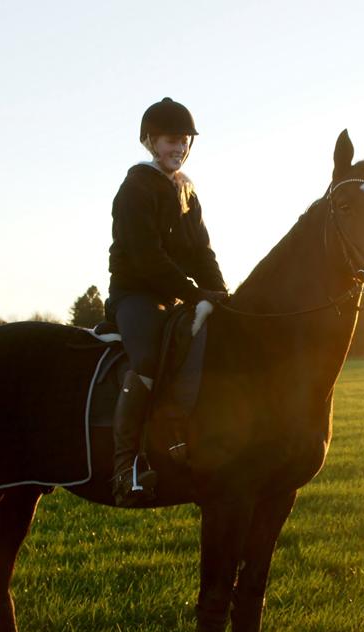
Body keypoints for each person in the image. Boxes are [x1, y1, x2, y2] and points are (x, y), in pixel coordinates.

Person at [107, 97, 228, 507]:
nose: (180, 147)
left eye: (185, 141)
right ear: (149, 142)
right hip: (136, 294)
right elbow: (147, 258)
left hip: (172, 295)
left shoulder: (187, 191)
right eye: (171, 140)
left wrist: (223, 295)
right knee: (147, 359)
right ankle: (126, 468)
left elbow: (201, 253)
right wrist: (196, 294)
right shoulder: (135, 189)